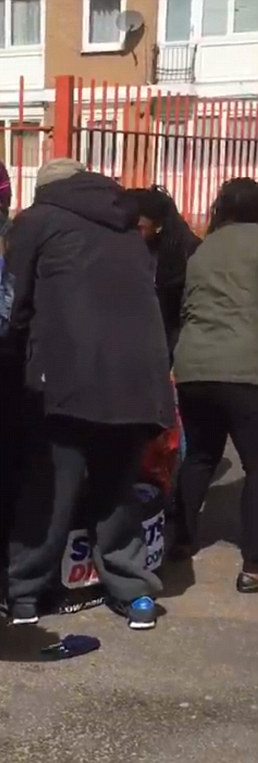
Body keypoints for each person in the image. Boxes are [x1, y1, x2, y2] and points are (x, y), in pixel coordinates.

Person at [1, 158, 174, 629]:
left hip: (67, 377)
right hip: (140, 378)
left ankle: (24, 594)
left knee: (51, 490)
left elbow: (11, 304)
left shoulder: (36, 221)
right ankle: (134, 592)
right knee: (116, 488)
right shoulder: (127, 228)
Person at [172, 178, 258, 593]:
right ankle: (253, 565)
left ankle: (182, 539)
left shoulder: (204, 248)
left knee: (201, 456)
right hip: (247, 370)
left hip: (193, 366)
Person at [124, 186, 201, 360]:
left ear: (158, 225)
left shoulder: (186, 253)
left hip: (169, 338)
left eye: (139, 228)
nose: (132, 234)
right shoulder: (132, 247)